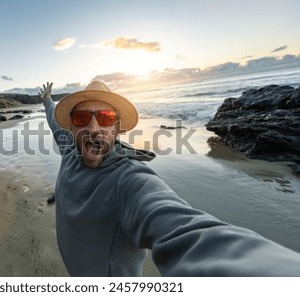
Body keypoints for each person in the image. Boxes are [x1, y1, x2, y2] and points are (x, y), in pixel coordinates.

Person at [39, 81, 300, 277]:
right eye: (82, 117)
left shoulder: (129, 181)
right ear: (71, 126)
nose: (93, 128)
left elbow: (183, 229)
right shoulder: (70, 149)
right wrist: (47, 99)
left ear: (117, 129)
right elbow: (53, 118)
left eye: (106, 118)